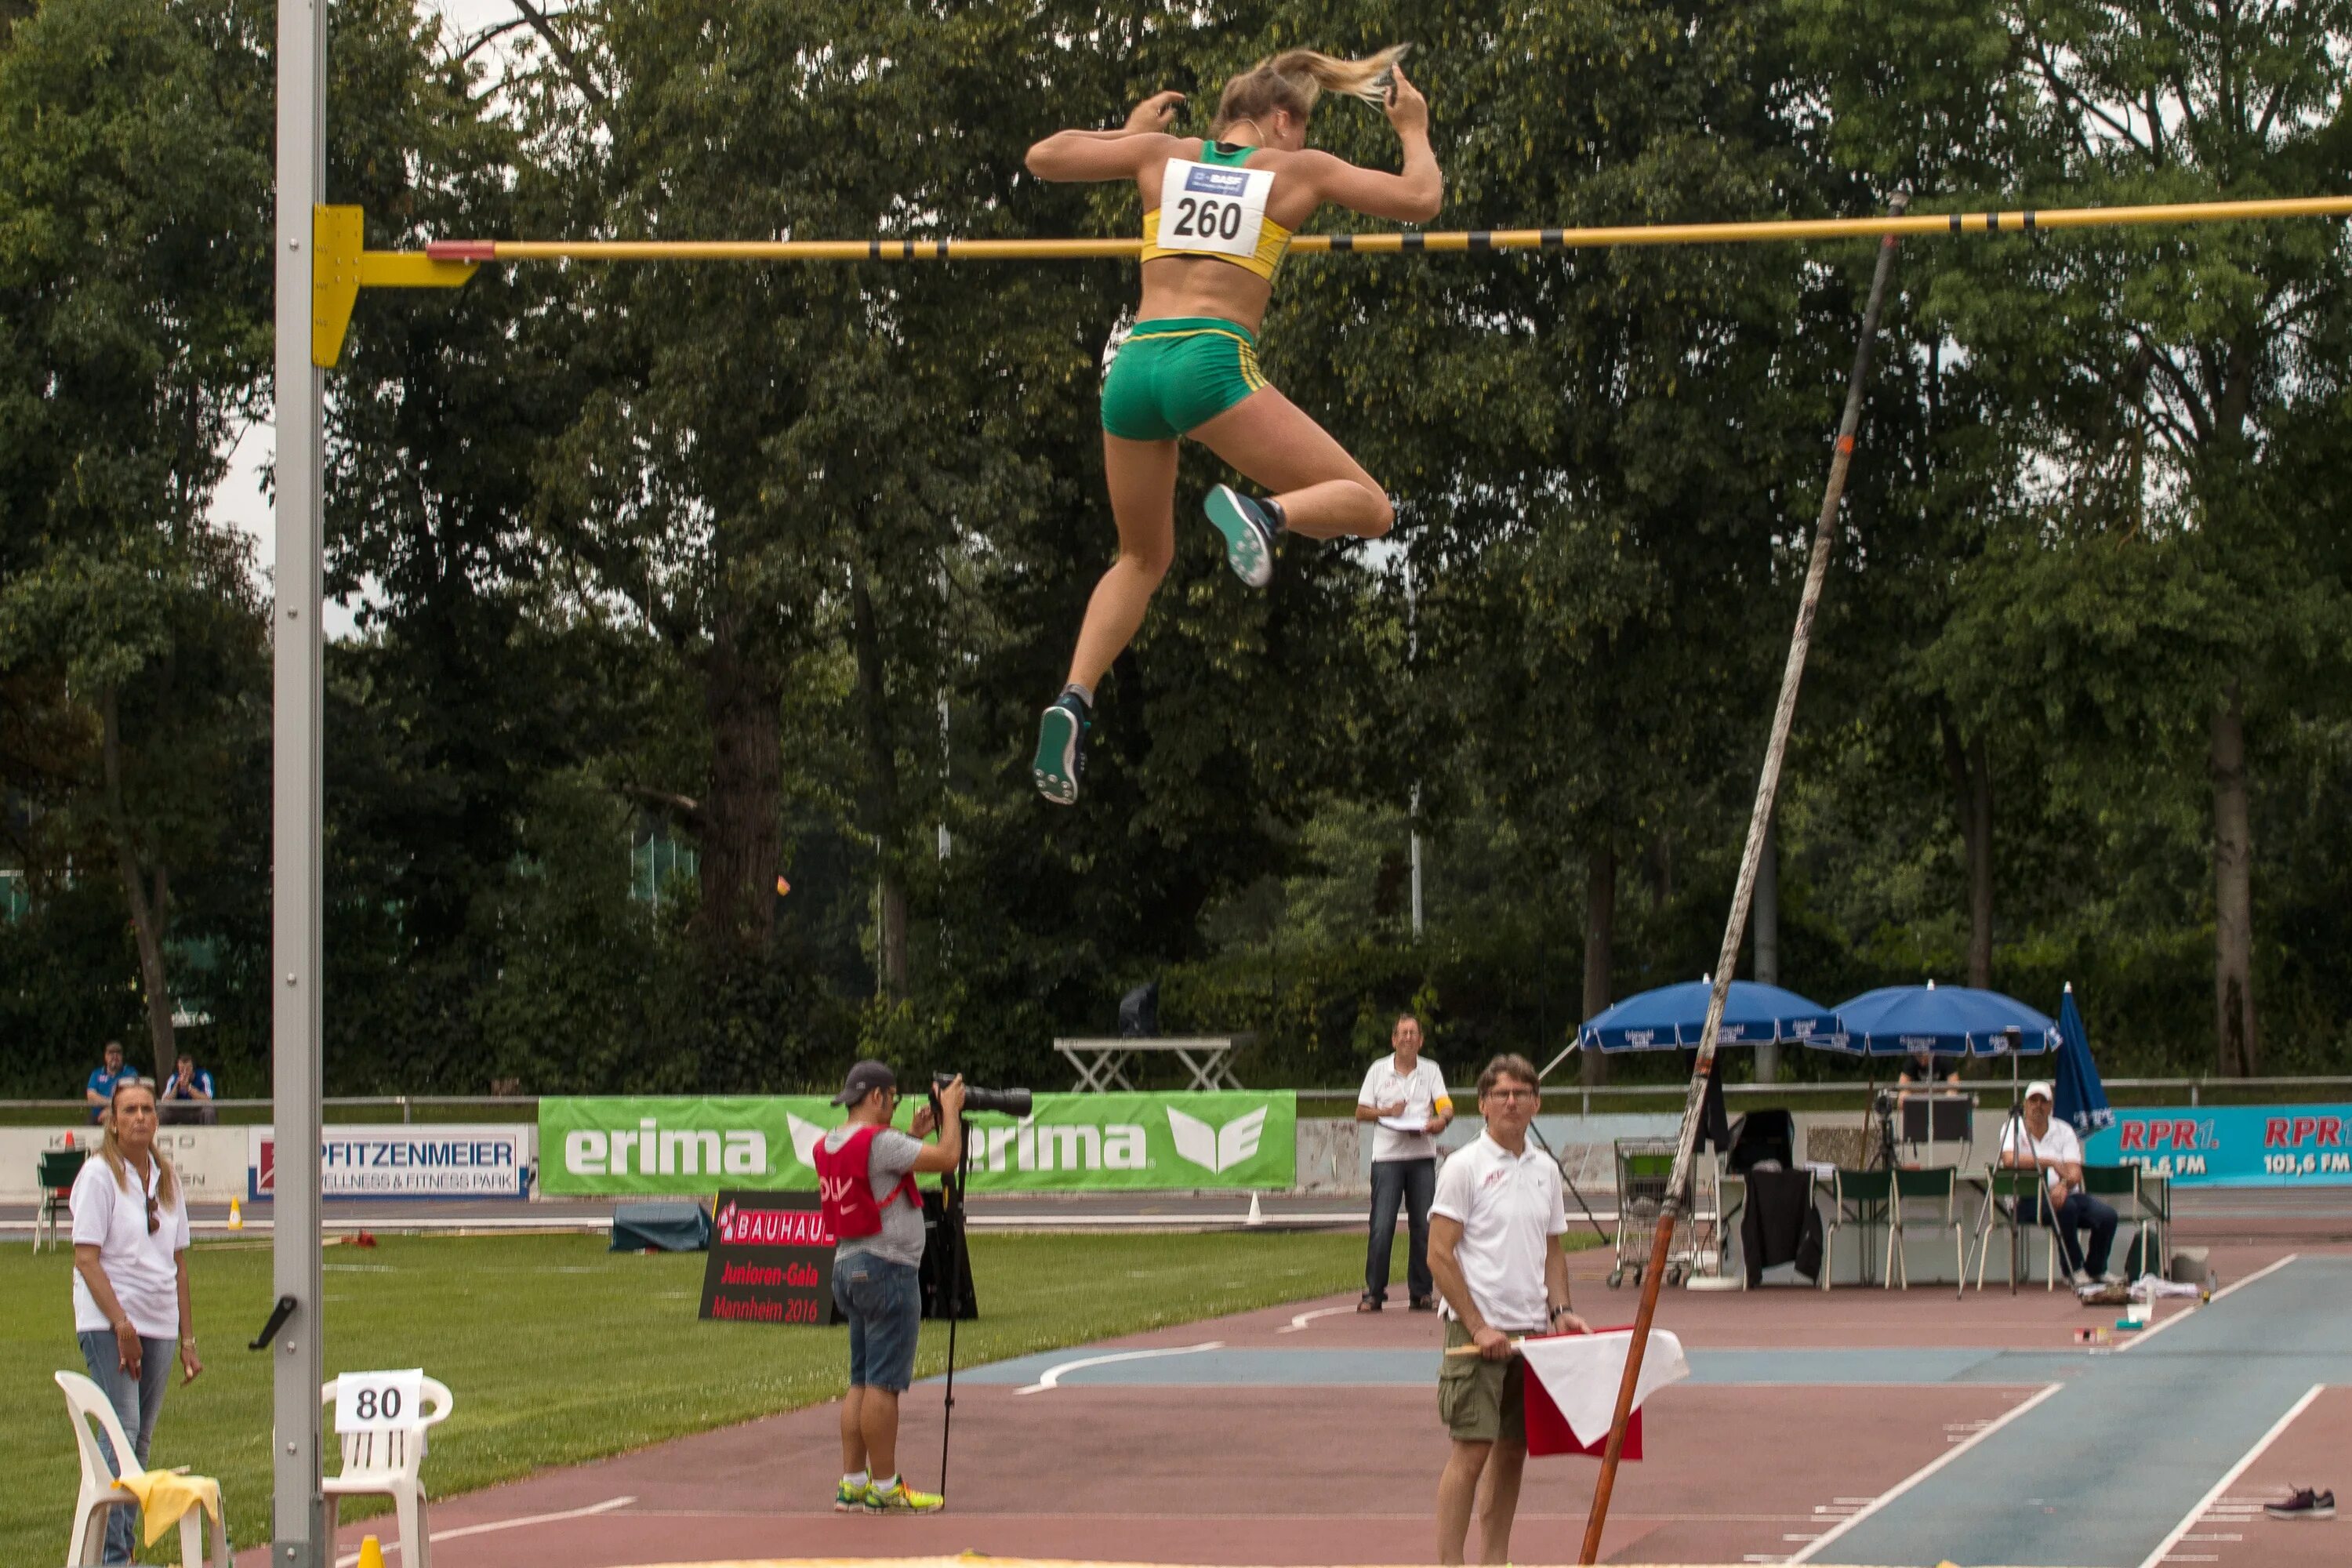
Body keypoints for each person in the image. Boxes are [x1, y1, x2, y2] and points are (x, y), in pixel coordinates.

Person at [1023, 46, 1442, 804]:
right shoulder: (1296, 169)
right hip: (1208, 364)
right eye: (1301, 124)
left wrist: (1125, 135)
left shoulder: (1163, 155)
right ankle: (1264, 511)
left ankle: (1073, 700)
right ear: (1281, 119)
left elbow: (1044, 156)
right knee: (1369, 504)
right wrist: (1412, 129)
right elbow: (1421, 200)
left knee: (1140, 559)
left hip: (1134, 370)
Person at [1428, 1054, 1588, 1566]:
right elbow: (1438, 1253)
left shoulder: (1544, 1168)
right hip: (1476, 1332)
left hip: (1530, 1332)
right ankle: (1451, 1563)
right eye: (1502, 1094)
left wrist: (1560, 1309)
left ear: (1537, 1104)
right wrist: (1478, 1323)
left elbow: (1554, 1249)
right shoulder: (1464, 1167)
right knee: (1472, 1449)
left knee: (1513, 1449)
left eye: (1522, 1094)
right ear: (1483, 1105)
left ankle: (1495, 1559)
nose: (1512, 1102)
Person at [814, 1060, 965, 1514]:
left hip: (848, 1265)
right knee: (883, 1384)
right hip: (888, 1269)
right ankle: (885, 1486)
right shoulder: (880, 1141)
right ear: (878, 1097)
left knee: (860, 1380)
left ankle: (853, 1482)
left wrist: (912, 1135)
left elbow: (876, 1177)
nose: (896, 1108)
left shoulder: (832, 1142)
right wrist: (951, 1111)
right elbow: (948, 1159)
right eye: (894, 1099)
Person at [70, 1078, 201, 1564]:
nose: (140, 1117)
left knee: (140, 1438)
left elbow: (179, 1264)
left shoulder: (166, 1179)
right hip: (110, 1321)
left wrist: (188, 1338)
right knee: (120, 1430)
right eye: (129, 1110)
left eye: (148, 1109)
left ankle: (119, 1548)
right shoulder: (100, 1176)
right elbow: (87, 1258)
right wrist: (122, 1325)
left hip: (160, 1321)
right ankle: (111, 1556)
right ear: (113, 1119)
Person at [1356, 1012, 1453, 1312]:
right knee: (1382, 1225)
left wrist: (1442, 1121)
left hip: (1422, 1154)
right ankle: (1374, 1291)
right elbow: (1361, 1112)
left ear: (1421, 1040)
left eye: (1413, 1033)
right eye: (1403, 1033)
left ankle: (1421, 1291)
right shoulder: (1378, 1070)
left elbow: (1444, 1104)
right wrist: (1387, 1112)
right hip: (1387, 1157)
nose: (1408, 1038)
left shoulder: (1431, 1070)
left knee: (1424, 1226)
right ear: (1394, 1039)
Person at [1998, 1079, 2118, 1287]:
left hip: (2066, 1194)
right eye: (2033, 1100)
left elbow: (2074, 1171)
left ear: (2050, 1105)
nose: (2038, 1106)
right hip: (2026, 1200)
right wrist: (2049, 1162)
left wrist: (2063, 1186)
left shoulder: (2063, 1130)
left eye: (2043, 1101)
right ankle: (2073, 1270)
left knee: (2107, 1216)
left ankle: (2096, 1269)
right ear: (2025, 1104)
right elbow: (2009, 1160)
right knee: (2066, 1208)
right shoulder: (2013, 1127)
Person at [158, 1049, 217, 1127]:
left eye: (188, 1069)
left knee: (209, 1111)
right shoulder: (173, 1078)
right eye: (182, 1069)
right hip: (179, 1111)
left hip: (197, 1110)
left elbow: (208, 1099)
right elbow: (165, 1101)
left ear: (193, 1068)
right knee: (162, 1111)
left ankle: (211, 1136)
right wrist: (176, 1087)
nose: (185, 1072)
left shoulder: (204, 1077)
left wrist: (189, 1088)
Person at [84, 1040, 135, 1125]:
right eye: (111, 1053)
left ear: (122, 1056)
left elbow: (131, 1097)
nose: (115, 1056)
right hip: (98, 1116)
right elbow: (91, 1096)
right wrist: (111, 1104)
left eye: (118, 1053)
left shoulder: (130, 1073)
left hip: (122, 1115)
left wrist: (112, 1110)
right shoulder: (97, 1074)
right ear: (106, 1056)